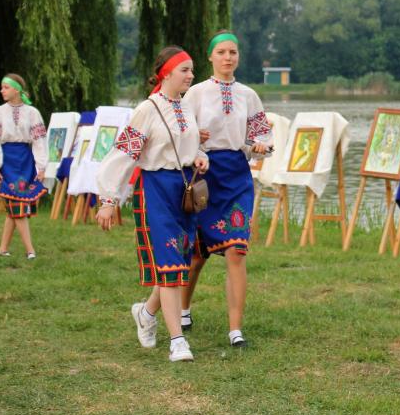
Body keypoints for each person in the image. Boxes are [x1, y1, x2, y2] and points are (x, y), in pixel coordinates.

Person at [96, 46, 209, 362]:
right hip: (156, 191)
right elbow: (123, 155)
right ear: (166, 73)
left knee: (179, 263)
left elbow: (189, 146)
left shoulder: (186, 107)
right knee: (170, 265)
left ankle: (146, 313)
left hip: (184, 190)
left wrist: (199, 157)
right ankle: (177, 341)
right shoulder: (147, 110)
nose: (191, 75)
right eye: (185, 70)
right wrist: (108, 200)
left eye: (192, 69)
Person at [181, 31, 273, 348]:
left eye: (233, 52)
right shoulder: (194, 94)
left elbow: (263, 136)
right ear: (210, 56)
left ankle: (235, 330)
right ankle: (183, 309)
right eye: (221, 52)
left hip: (237, 177)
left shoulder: (249, 95)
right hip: (205, 175)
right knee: (197, 253)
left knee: (237, 250)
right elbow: (181, 136)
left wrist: (259, 146)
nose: (228, 57)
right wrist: (196, 144)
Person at [0, 74, 48, 259]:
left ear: (17, 89)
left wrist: (41, 166)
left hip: (25, 161)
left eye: (6, 87)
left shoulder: (32, 113)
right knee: (17, 204)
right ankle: (30, 250)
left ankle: (2, 249)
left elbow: (39, 140)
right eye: (2, 87)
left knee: (16, 205)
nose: (2, 91)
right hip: (7, 161)